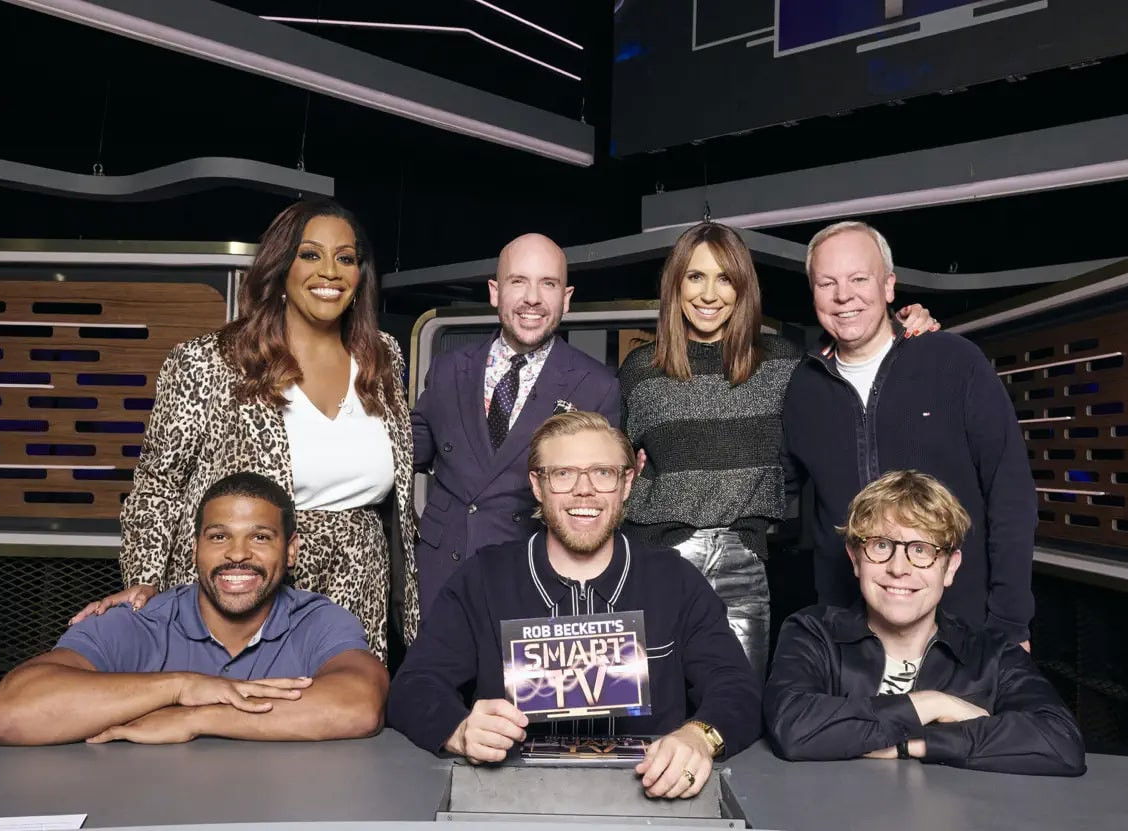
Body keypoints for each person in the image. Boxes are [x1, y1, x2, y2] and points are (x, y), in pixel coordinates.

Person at [71, 198, 419, 660]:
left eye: (346, 258)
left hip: (356, 586)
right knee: (228, 698)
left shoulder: (383, 355)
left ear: (361, 276)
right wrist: (145, 579)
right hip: (240, 581)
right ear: (281, 267)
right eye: (310, 254)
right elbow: (159, 482)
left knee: (336, 703)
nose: (330, 271)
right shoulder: (209, 360)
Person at [388, 412, 761, 799]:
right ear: (538, 485)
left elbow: (737, 688)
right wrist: (459, 728)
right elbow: (414, 686)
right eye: (563, 474)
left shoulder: (674, 580)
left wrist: (700, 737)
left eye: (603, 473)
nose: (585, 490)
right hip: (511, 797)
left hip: (649, 799)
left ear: (626, 483)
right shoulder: (484, 578)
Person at [619, 222, 937, 675]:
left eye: (724, 278)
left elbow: (850, 361)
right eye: (695, 277)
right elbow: (611, 466)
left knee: (738, 700)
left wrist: (906, 325)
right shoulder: (640, 369)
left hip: (742, 561)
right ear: (675, 284)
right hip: (656, 559)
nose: (708, 294)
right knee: (652, 699)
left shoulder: (782, 362)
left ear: (742, 288)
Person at [0, 472, 388, 746]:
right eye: (219, 537)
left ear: (291, 551)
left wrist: (197, 717)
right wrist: (181, 687)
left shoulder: (317, 619)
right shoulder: (141, 621)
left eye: (260, 537)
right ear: (195, 548)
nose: (237, 554)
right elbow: (13, 713)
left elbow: (360, 706)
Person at [782, 221, 1036, 649]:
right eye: (827, 283)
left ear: (888, 286)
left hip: (963, 628)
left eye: (859, 279)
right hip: (850, 635)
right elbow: (776, 487)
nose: (844, 295)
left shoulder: (954, 361)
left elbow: (1010, 493)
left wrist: (1010, 624)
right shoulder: (803, 387)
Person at [764, 471, 1084, 775]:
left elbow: (1061, 742)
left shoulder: (992, 653)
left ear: (950, 568)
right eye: (881, 545)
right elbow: (792, 726)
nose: (898, 568)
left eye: (921, 549)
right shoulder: (814, 633)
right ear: (855, 559)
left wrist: (916, 745)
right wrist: (932, 704)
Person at [411, 233, 622, 612]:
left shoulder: (596, 386)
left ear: (566, 298)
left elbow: (599, 499)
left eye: (548, 284)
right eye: (518, 281)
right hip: (443, 572)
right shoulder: (448, 369)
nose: (533, 298)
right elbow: (406, 452)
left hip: (536, 579)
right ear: (495, 292)